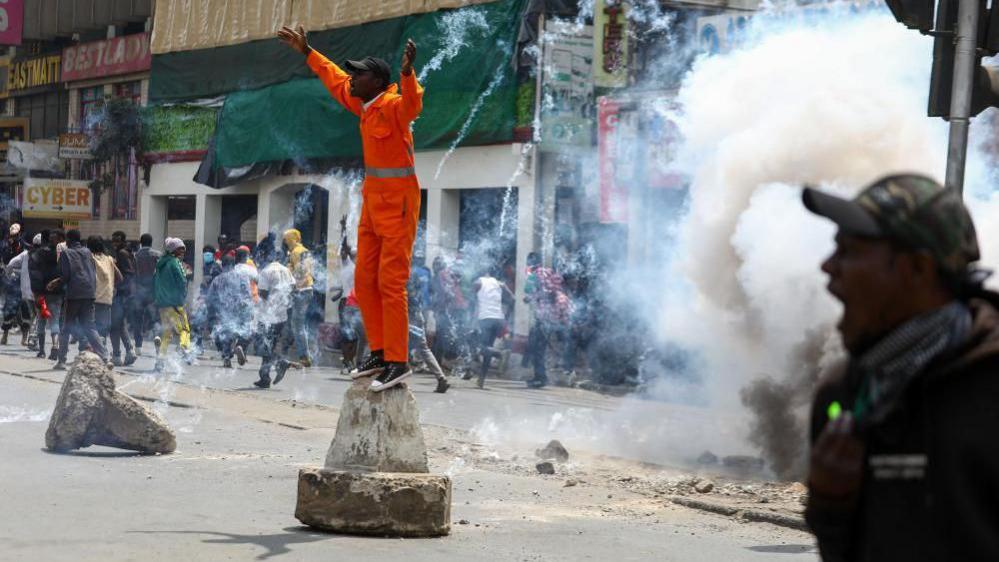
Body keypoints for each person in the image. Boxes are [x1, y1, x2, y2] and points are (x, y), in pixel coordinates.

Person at [801, 174, 999, 561]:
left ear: (918, 269)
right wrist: (830, 504)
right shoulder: (842, 393)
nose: (828, 267)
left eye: (850, 251)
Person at [279, 26, 424, 392]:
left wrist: (407, 74)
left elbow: (413, 105)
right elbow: (334, 78)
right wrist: (307, 51)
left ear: (377, 80)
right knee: (364, 281)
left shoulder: (392, 105)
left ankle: (398, 361)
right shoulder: (366, 103)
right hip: (374, 200)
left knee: (391, 283)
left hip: (399, 201)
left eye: (359, 73)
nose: (353, 78)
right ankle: (379, 352)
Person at [52, 230, 107, 369]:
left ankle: (62, 361)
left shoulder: (66, 253)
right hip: (89, 293)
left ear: (69, 240)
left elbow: (66, 276)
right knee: (90, 326)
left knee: (66, 328)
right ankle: (104, 356)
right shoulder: (88, 252)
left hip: (74, 294)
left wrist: (55, 283)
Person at [523, 252, 572, 389]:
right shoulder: (551, 273)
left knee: (536, 348)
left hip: (543, 316)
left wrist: (529, 298)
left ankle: (540, 378)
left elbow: (528, 294)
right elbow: (557, 288)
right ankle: (563, 370)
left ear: (530, 263)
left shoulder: (533, 275)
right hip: (555, 315)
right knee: (545, 347)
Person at [254, 250, 299, 388]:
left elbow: (263, 293)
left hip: (268, 315)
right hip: (282, 315)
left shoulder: (266, 271)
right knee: (269, 345)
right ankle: (265, 377)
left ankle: (280, 363)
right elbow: (293, 288)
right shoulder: (286, 270)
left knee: (263, 346)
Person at [405, 266, 449, 393]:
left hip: (408, 316)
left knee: (397, 347)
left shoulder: (403, 278)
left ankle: (397, 379)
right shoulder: (415, 277)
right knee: (424, 349)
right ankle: (441, 378)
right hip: (418, 314)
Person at [153, 237, 191, 371]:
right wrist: (182, 298)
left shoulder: (161, 264)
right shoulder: (175, 263)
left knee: (167, 334)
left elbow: (155, 283)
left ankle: (160, 362)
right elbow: (182, 282)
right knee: (184, 330)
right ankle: (183, 349)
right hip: (174, 303)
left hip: (162, 304)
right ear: (174, 250)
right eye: (181, 249)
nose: (183, 251)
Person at [472, 268, 514, 389]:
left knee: (481, 346)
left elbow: (472, 297)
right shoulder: (499, 283)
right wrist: (506, 315)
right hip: (499, 319)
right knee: (488, 349)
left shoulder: (478, 281)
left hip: (486, 319)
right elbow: (513, 297)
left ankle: (500, 353)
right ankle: (481, 379)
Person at [282, 228, 315, 367]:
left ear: (290, 239)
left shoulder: (296, 252)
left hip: (301, 291)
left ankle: (304, 357)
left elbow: (300, 272)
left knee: (297, 325)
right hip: (304, 290)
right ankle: (293, 353)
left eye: (285, 239)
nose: (284, 242)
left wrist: (293, 286)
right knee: (295, 324)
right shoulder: (302, 251)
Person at [110, 231, 137, 366]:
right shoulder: (129, 252)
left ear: (123, 241)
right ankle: (129, 351)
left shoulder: (122, 254)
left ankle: (116, 355)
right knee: (120, 324)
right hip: (127, 294)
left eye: (117, 241)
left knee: (114, 325)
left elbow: (128, 274)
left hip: (122, 294)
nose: (114, 243)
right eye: (113, 240)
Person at [88, 236, 120, 347]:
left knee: (91, 328)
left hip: (93, 297)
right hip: (107, 298)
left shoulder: (90, 258)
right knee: (103, 329)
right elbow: (120, 277)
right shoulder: (110, 259)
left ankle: (95, 353)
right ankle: (102, 354)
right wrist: (111, 285)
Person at [133, 233, 162, 355]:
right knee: (155, 317)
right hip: (153, 291)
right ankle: (157, 336)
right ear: (151, 242)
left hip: (139, 290)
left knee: (138, 319)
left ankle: (138, 346)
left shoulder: (135, 255)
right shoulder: (158, 255)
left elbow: (133, 273)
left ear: (141, 242)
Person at [2, 241, 32, 346]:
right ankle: (24, 339)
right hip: (29, 289)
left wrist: (9, 276)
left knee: (10, 310)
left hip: (16, 284)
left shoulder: (24, 254)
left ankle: (5, 336)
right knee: (26, 312)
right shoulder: (40, 254)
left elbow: (10, 264)